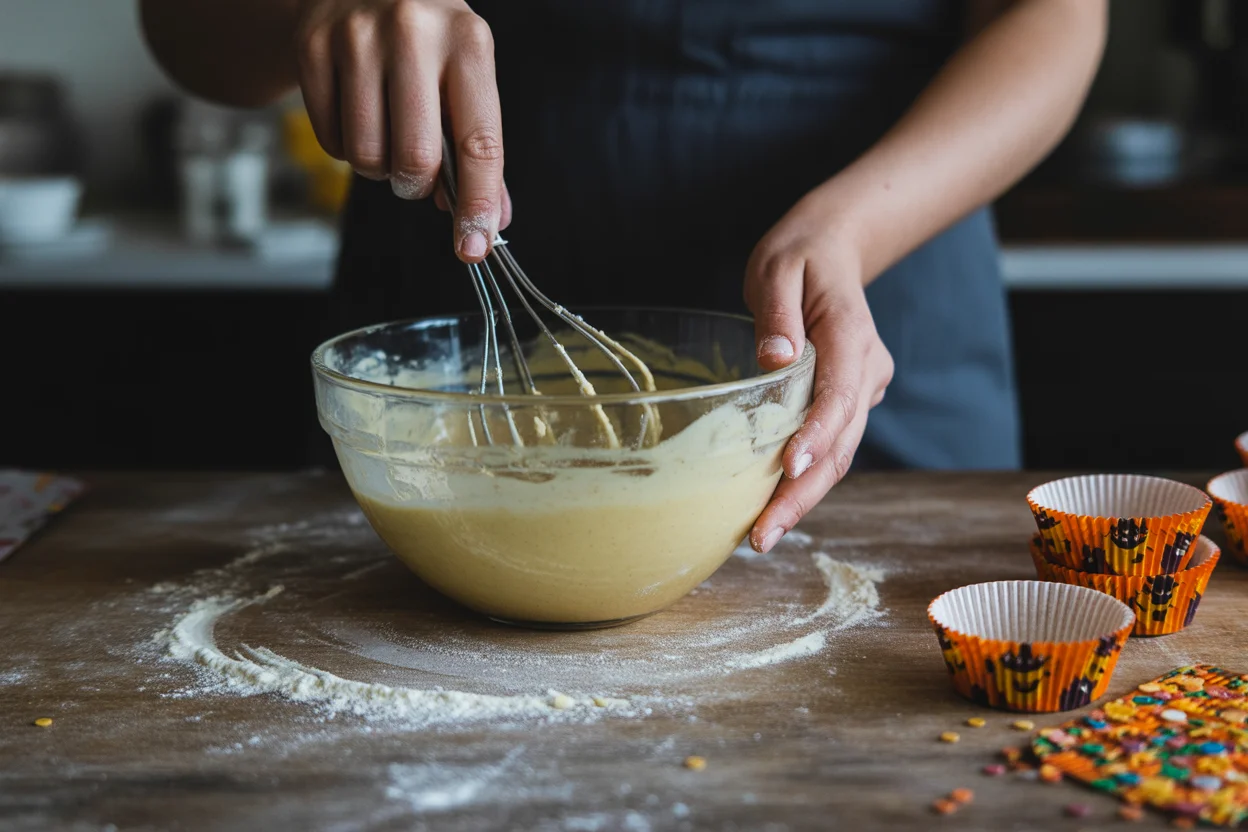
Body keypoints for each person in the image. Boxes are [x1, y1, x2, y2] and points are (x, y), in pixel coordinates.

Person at [139, 0, 1107, 552]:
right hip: (450, 339)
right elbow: (192, 38)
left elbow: (1054, 18)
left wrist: (851, 229)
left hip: (856, 294)